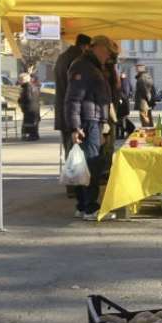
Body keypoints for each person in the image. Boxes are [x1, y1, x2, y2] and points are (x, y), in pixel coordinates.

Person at [66, 35, 118, 220]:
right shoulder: (83, 66)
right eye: (108, 53)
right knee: (91, 165)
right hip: (89, 121)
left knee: (85, 166)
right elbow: (73, 99)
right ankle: (90, 208)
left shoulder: (92, 66)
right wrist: (75, 127)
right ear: (100, 48)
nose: (109, 57)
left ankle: (82, 206)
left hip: (93, 120)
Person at [54, 33, 92, 149]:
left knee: (70, 151)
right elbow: (79, 88)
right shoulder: (79, 59)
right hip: (76, 112)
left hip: (62, 108)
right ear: (85, 47)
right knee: (78, 151)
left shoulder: (62, 57)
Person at [17, 73, 41, 141]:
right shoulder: (34, 86)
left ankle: (31, 136)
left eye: (20, 80)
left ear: (23, 80)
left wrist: (20, 101)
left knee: (29, 122)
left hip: (29, 108)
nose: (19, 82)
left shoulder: (26, 87)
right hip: (35, 107)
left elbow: (27, 98)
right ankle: (34, 135)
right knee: (33, 122)